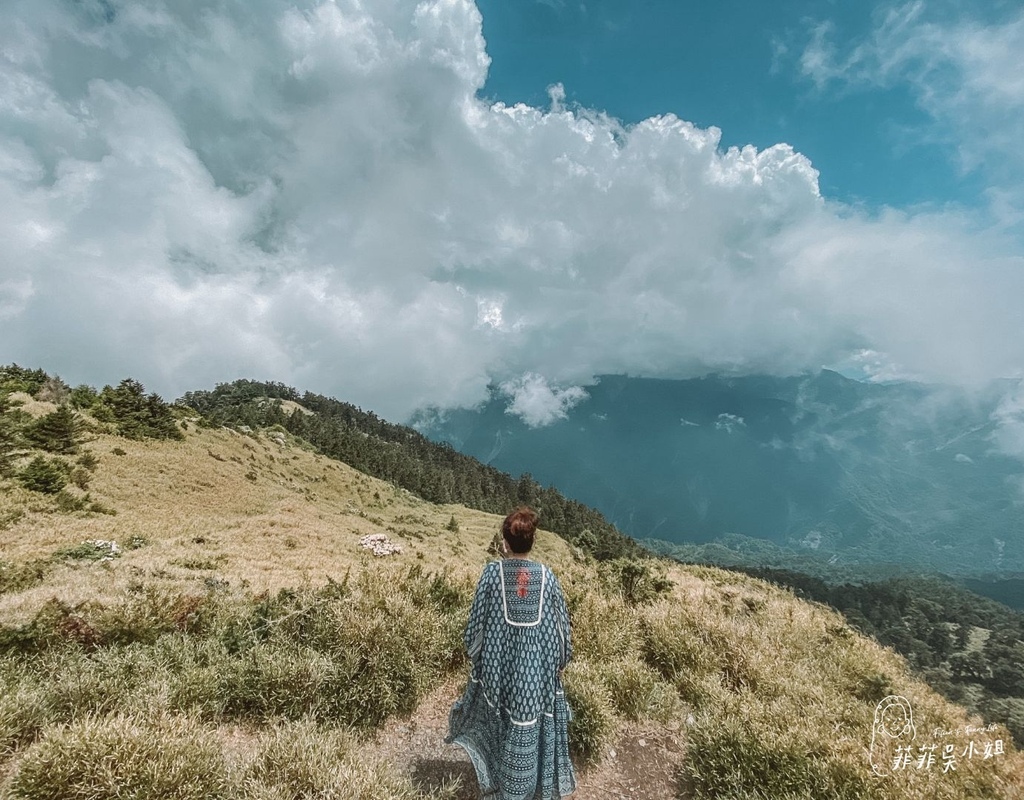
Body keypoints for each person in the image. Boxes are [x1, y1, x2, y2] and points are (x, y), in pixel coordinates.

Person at [446, 506, 577, 799]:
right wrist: (560, 662)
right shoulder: (547, 576)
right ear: (532, 543)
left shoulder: (492, 574)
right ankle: (532, 788)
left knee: (500, 723)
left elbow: (476, 625)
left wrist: (475, 653)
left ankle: (501, 782)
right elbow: (560, 628)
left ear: (505, 543)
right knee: (530, 726)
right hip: (536, 677)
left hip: (498, 672)